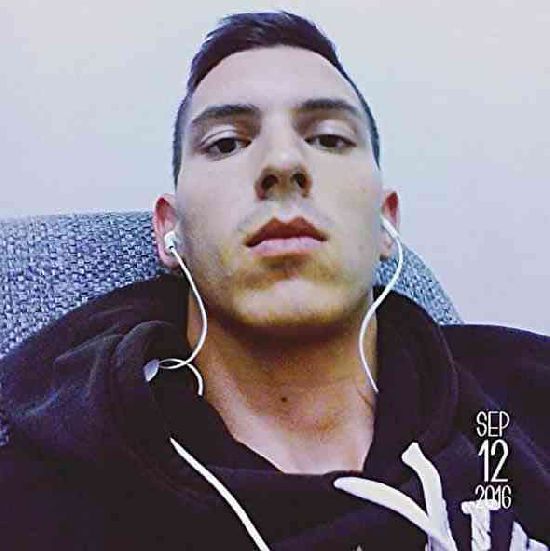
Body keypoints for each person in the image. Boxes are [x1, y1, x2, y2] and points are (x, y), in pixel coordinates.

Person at [0, 11, 548, 550]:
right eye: (226, 143)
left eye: (329, 138)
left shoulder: (524, 402)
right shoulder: (43, 500)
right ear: (169, 230)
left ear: (387, 222)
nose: (283, 163)